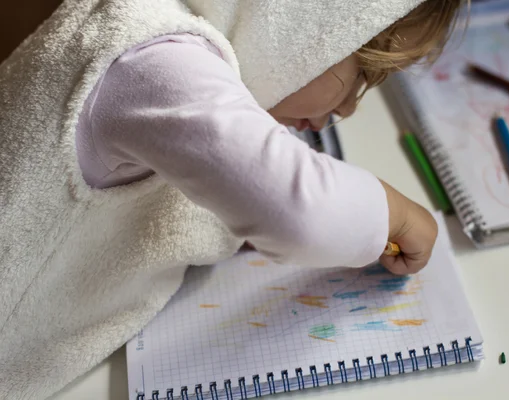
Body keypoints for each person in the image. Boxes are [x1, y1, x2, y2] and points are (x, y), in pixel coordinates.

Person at [0, 0, 465, 397]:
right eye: (361, 73)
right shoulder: (150, 61)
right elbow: (298, 213)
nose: (349, 107)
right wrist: (395, 213)